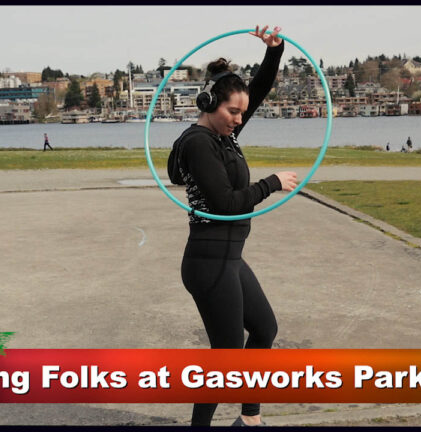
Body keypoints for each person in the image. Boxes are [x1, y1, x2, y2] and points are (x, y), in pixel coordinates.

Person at [167, 25, 296, 427]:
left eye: (242, 113)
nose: (239, 120)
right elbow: (226, 203)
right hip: (208, 260)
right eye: (232, 112)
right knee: (225, 352)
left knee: (265, 330)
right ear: (208, 104)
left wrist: (275, 51)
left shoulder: (226, 135)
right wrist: (272, 183)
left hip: (230, 256)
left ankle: (249, 420)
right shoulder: (198, 143)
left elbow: (253, 91)